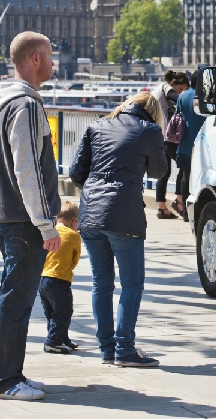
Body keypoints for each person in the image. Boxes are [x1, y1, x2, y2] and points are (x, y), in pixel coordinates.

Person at [0, 32, 61, 401]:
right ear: (34, 58)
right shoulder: (26, 106)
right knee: (16, 301)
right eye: (49, 56)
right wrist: (46, 223)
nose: (53, 63)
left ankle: (10, 371)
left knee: (13, 298)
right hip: (25, 220)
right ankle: (2, 380)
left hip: (6, 214)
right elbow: (27, 168)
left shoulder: (2, 104)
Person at [69, 91, 167, 367]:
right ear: (152, 111)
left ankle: (106, 349)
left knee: (101, 283)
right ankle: (125, 348)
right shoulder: (149, 130)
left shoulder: (97, 125)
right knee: (132, 283)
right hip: (124, 213)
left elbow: (77, 172)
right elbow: (160, 172)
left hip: (91, 212)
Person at [39, 201, 81, 354]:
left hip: (43, 278)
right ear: (74, 221)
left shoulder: (50, 232)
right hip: (59, 279)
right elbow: (75, 259)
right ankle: (53, 342)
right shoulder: (73, 235)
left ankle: (62, 338)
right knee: (64, 312)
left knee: (52, 313)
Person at [169, 68, 206, 220]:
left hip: (185, 142)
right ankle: (199, 209)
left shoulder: (183, 95)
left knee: (186, 175)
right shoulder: (204, 96)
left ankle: (184, 210)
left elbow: (178, 114)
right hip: (203, 142)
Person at [151, 71, 188, 219]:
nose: (181, 92)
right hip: (167, 138)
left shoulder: (157, 89)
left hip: (159, 136)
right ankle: (180, 202)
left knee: (164, 172)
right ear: (174, 83)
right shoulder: (166, 88)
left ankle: (161, 207)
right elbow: (177, 98)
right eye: (181, 89)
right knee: (184, 165)